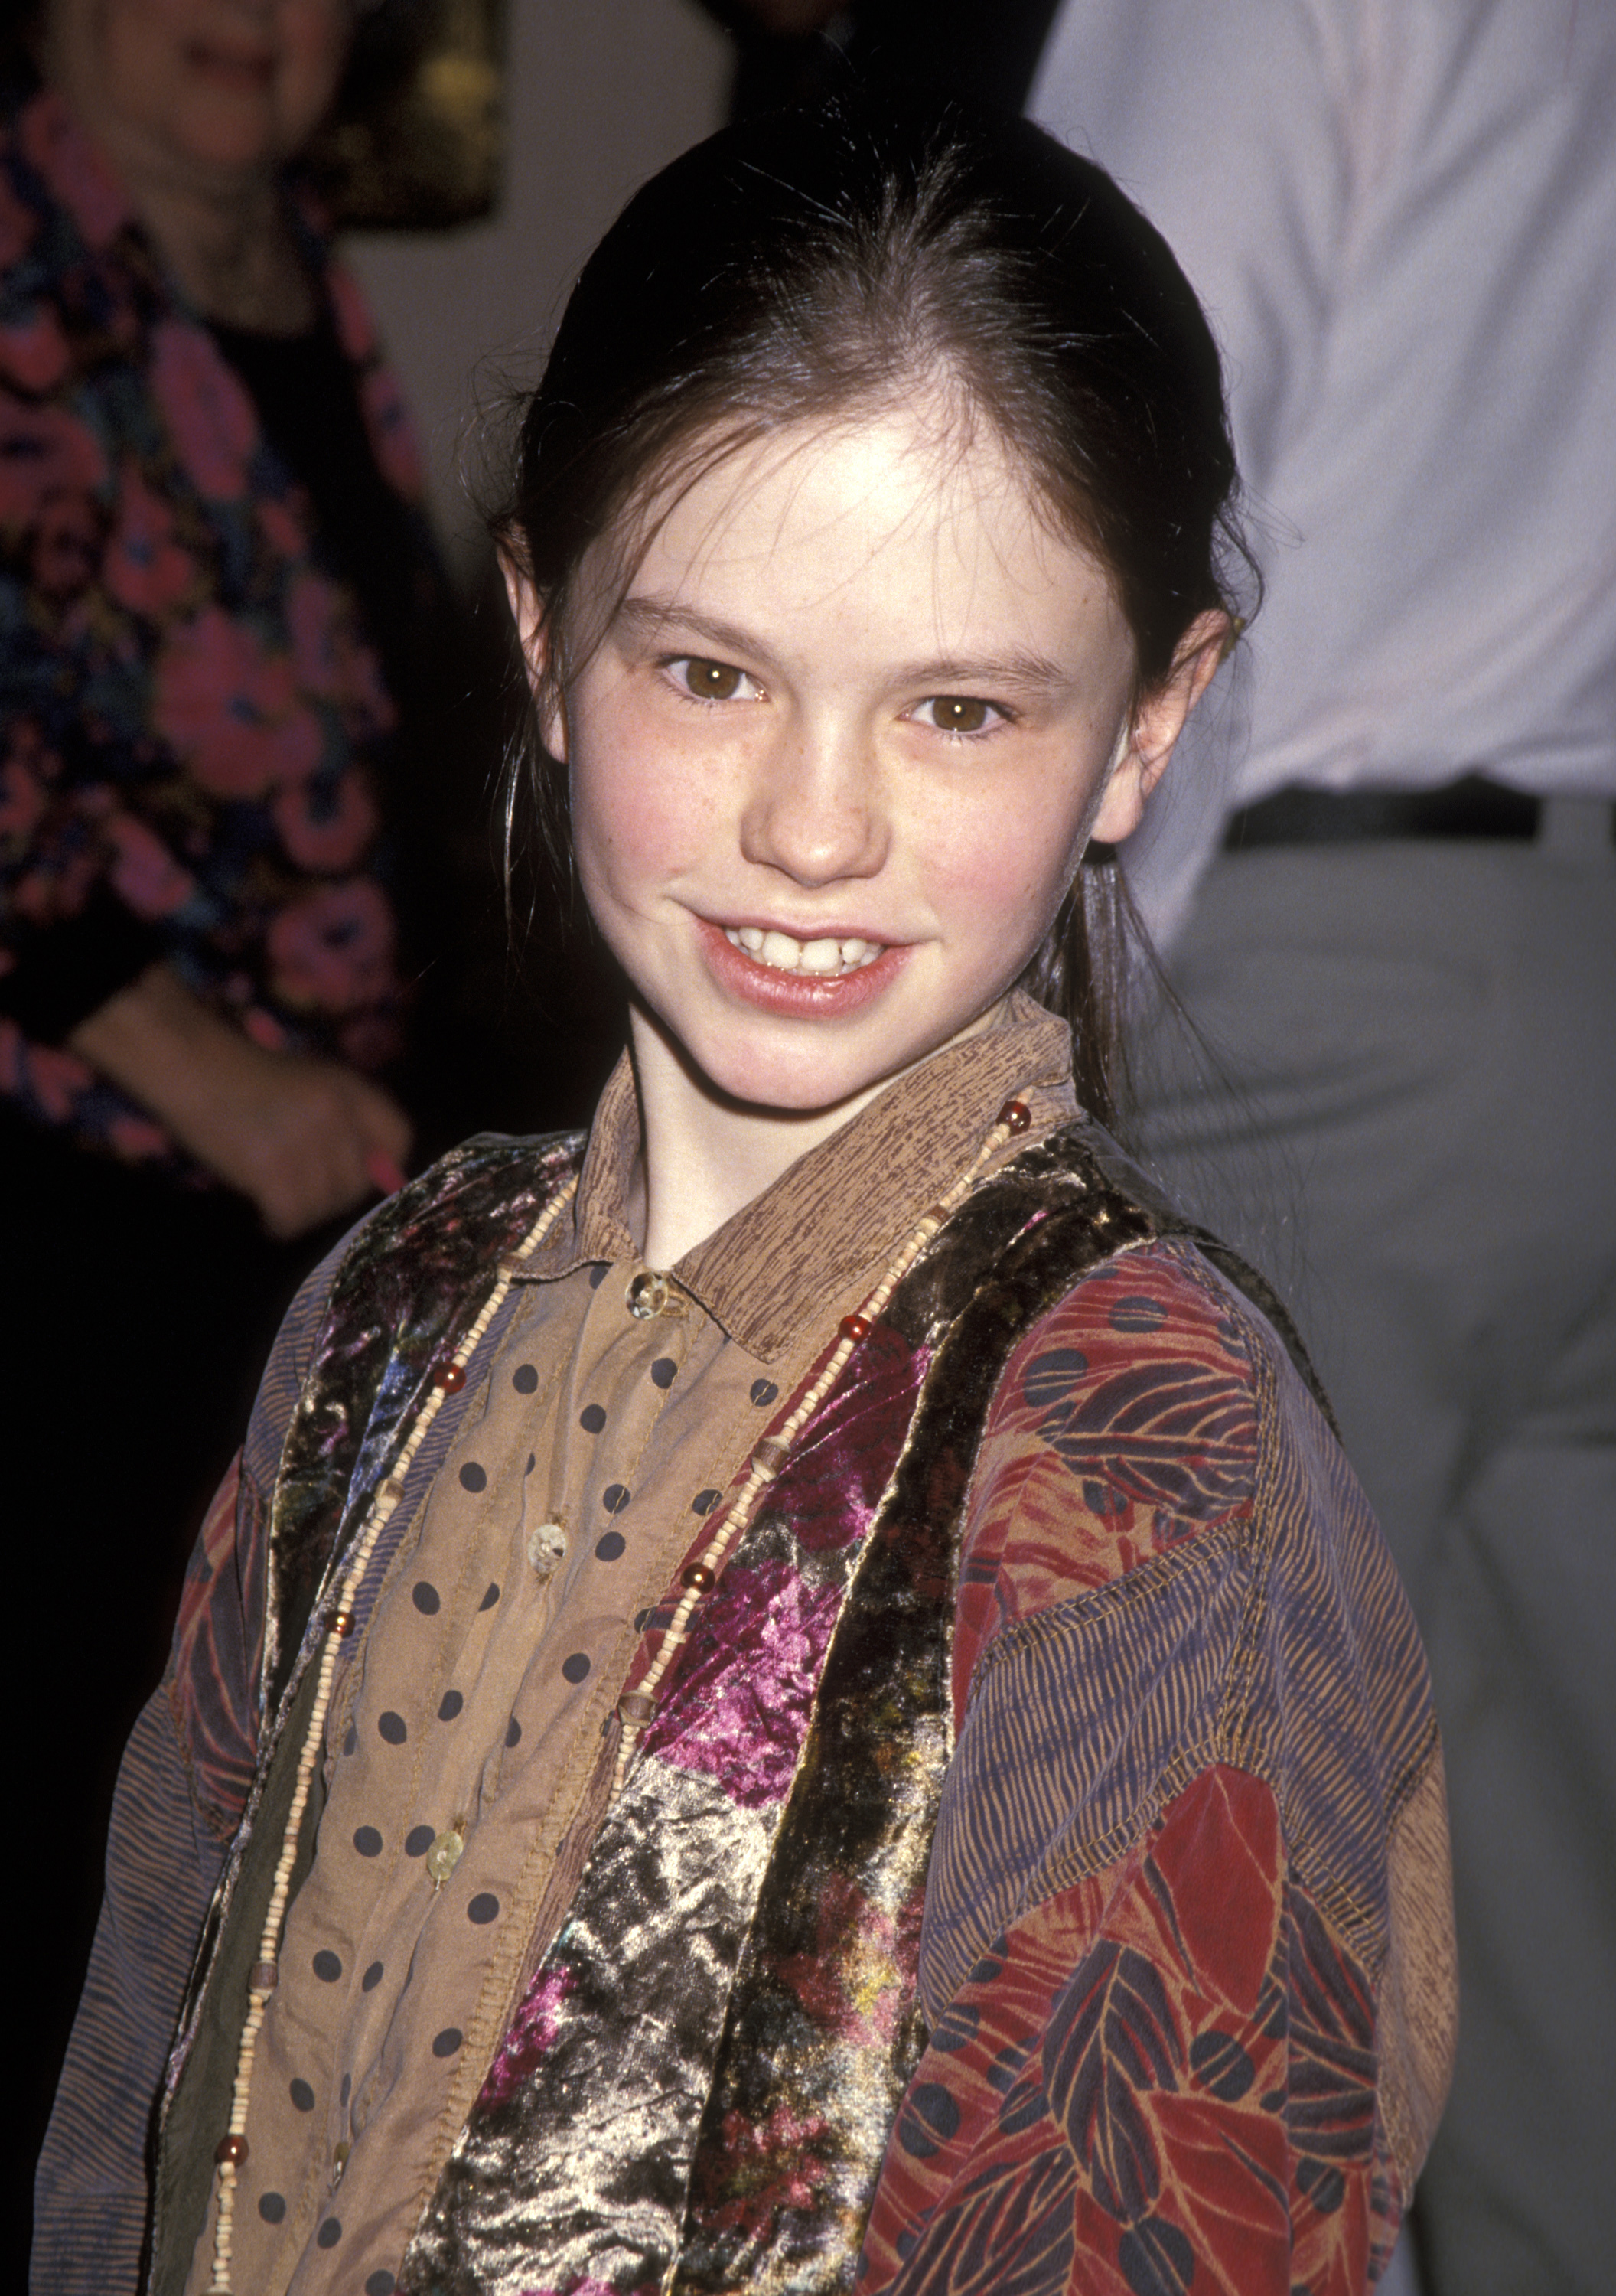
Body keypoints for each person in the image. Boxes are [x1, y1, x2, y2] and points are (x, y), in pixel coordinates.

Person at [36, 99, 1457, 2296]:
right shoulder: (382, 1313)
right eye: (707, 673)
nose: (812, 829)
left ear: (1152, 732)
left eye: (961, 711)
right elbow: (143, 2073)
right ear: (538, 626)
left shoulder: (1143, 1458)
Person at [1028, 8, 1616, 2294]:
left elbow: (1097, 446)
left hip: (1318, 989)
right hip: (1571, 978)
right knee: (1557, 1938)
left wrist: (1027, 1028)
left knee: (1176, 1930)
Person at [1, 0, 458, 2249]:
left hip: (263, 1225)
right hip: (68, 1213)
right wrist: (215, 1071)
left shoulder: (273, 267)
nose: (248, 11)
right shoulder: (17, 253)